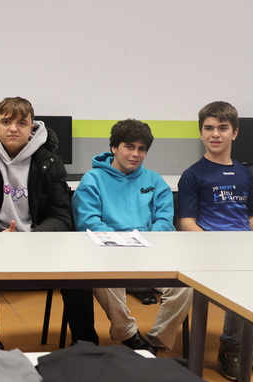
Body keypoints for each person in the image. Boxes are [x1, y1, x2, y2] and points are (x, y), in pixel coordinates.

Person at [0, 96, 98, 347]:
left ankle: (85, 345)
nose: (13, 128)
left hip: (38, 243)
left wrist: (34, 238)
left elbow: (61, 216)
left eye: (21, 123)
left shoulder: (51, 163)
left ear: (32, 127)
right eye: (6, 122)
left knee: (78, 273)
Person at [178, 101, 253, 381]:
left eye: (223, 128)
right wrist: (215, 248)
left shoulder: (243, 173)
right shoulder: (193, 175)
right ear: (201, 133)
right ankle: (231, 349)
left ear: (235, 133)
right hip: (214, 249)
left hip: (246, 247)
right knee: (242, 284)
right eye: (209, 128)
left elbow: (252, 217)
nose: (215, 134)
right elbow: (186, 223)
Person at [71, 119, 192, 354]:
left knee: (185, 286)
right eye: (129, 147)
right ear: (114, 147)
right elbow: (89, 223)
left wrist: (148, 243)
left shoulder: (155, 181)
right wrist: (122, 245)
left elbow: (164, 221)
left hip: (150, 251)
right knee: (103, 277)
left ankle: (157, 340)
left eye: (142, 149)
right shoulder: (93, 180)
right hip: (110, 253)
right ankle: (128, 334)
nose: (135, 154)